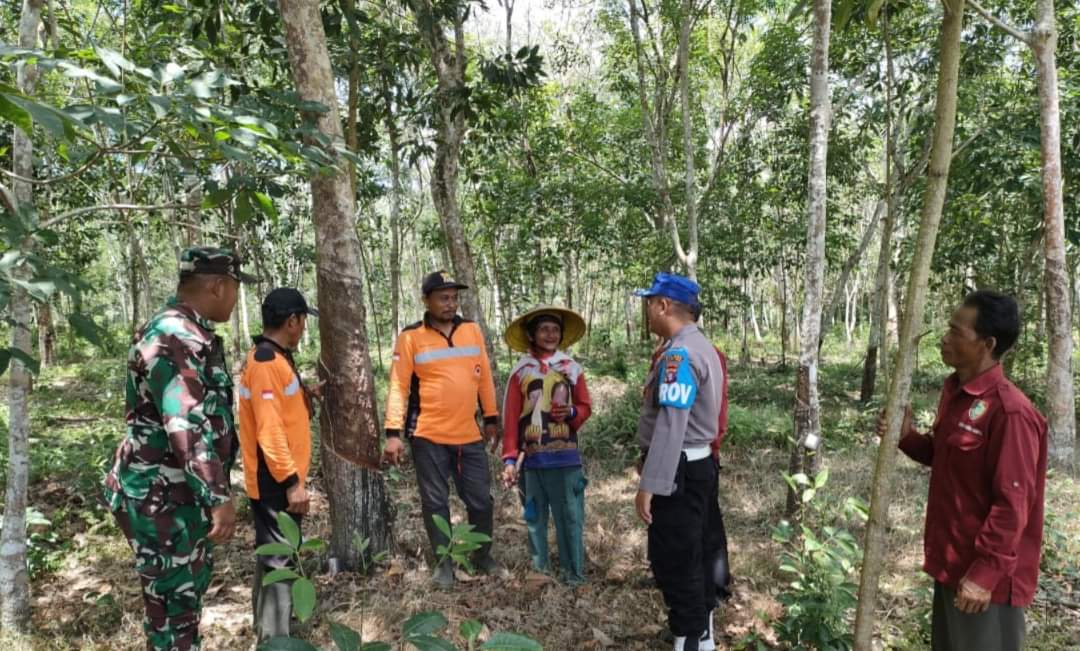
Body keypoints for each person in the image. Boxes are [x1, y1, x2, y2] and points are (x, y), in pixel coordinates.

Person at [102, 246, 253, 651]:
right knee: (174, 609)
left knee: (177, 605)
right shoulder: (174, 336)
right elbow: (184, 424)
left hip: (172, 493)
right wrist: (218, 496)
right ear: (218, 286)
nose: (238, 300)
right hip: (162, 497)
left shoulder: (184, 331)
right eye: (237, 289)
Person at [890, 290, 1047, 651]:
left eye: (956, 331)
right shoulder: (957, 392)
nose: (945, 337)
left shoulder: (1011, 412)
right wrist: (905, 437)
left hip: (984, 582)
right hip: (952, 563)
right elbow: (944, 456)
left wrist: (985, 574)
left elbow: (1013, 503)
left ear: (987, 344)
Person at [381, 271, 501, 587]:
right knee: (435, 503)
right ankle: (443, 563)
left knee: (481, 500)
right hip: (428, 435)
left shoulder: (472, 331)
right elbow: (398, 386)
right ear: (427, 300)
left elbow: (484, 376)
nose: (450, 304)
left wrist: (491, 417)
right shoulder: (410, 338)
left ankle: (482, 555)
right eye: (443, 297)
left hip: (469, 434)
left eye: (454, 297)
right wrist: (393, 434)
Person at [634, 272, 725, 651]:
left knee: (677, 560)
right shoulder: (703, 347)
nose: (647, 312)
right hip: (699, 466)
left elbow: (672, 426)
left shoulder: (679, 355)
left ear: (663, 305)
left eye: (649, 304)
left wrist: (649, 485)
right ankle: (701, 638)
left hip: (679, 472)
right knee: (700, 555)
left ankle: (689, 640)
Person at [237, 287, 320, 640]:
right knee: (281, 558)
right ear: (292, 321)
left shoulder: (273, 356)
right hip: (274, 480)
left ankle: (267, 631)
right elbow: (269, 431)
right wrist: (292, 483)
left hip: (276, 476)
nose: (303, 329)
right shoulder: (267, 364)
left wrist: (305, 394)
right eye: (302, 321)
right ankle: (276, 640)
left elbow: (275, 411)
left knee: (273, 555)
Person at [499, 305, 593, 585]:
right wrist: (509, 458)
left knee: (570, 518)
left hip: (565, 459)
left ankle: (573, 574)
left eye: (555, 330)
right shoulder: (521, 372)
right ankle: (540, 572)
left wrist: (573, 413)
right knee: (534, 517)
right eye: (544, 329)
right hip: (532, 461)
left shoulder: (571, 369)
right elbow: (511, 418)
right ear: (531, 334)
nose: (550, 334)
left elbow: (585, 407)